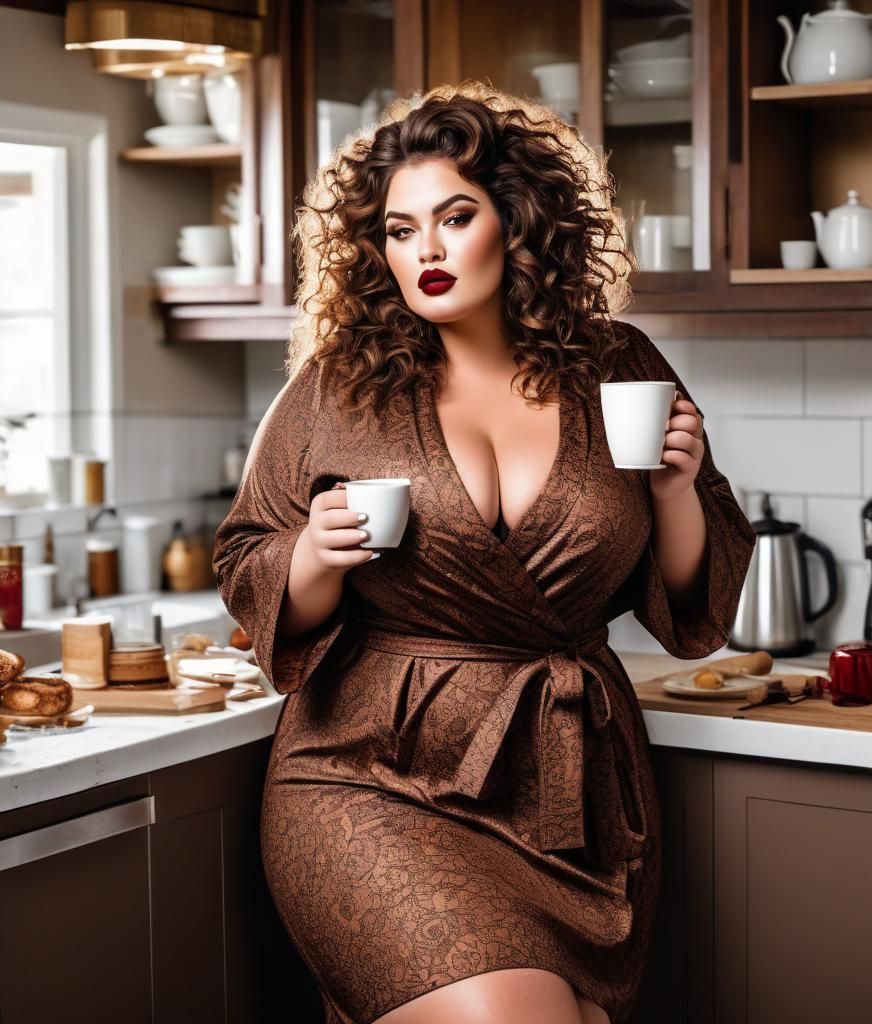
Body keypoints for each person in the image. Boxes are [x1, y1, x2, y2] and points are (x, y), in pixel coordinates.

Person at [213, 80, 756, 1024]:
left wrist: (674, 492)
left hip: (569, 795)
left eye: (454, 217)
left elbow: (688, 611)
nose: (424, 249)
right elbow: (249, 572)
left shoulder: (619, 365)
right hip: (370, 776)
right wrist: (313, 558)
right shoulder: (334, 388)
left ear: (517, 220)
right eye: (398, 229)